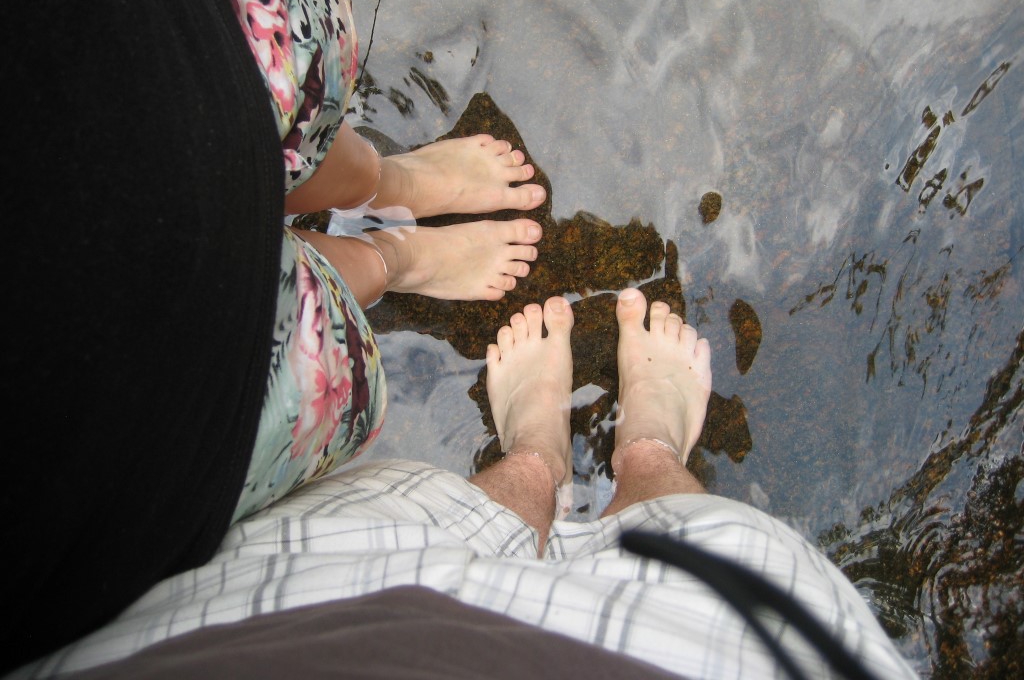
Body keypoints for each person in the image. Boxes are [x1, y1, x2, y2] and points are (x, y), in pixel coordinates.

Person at [1, 0, 543, 672]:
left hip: (93, 21)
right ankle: (391, 251)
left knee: (235, 85)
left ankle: (389, 184)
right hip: (91, 429)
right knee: (247, 328)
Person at [20, 290, 918, 680]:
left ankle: (536, 455)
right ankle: (644, 453)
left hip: (303, 622)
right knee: (701, 556)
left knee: (439, 525)